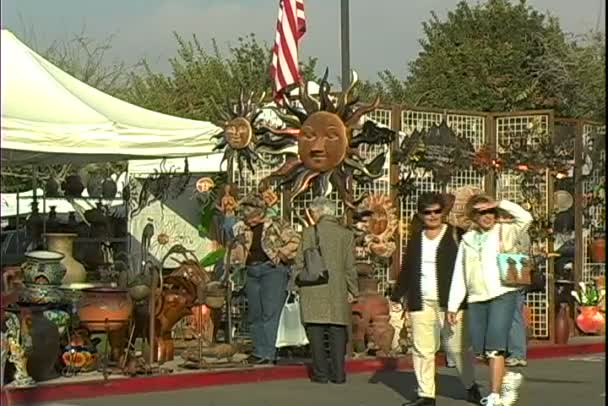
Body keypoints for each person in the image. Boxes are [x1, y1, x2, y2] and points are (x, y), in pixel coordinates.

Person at [391, 192, 481, 406]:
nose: (432, 216)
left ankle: (470, 385)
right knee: (422, 349)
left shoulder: (457, 236)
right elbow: (407, 269)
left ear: (443, 212)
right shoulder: (415, 239)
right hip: (421, 301)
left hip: (452, 303)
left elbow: (471, 268)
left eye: (436, 211)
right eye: (427, 212)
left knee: (457, 348)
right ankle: (426, 394)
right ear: (420, 215)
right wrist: (397, 295)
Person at [447, 194, 533, 406]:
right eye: (481, 212)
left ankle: (494, 395)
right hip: (476, 298)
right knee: (480, 350)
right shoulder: (467, 240)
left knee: (495, 347)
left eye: (490, 211)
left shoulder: (505, 231)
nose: (486, 216)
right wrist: (453, 304)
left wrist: (499, 204)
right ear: (473, 216)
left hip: (502, 294)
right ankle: (508, 377)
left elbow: (526, 217)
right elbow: (460, 273)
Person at [290, 197, 358, 384]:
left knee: (316, 330)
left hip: (312, 287)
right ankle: (338, 374)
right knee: (337, 331)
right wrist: (353, 290)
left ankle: (320, 374)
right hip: (337, 288)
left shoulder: (308, 233)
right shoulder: (346, 235)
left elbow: (299, 262)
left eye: (312, 212)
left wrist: (294, 285)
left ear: (318, 212)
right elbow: (350, 267)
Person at [230, 193, 301, 364]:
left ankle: (269, 352)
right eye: (248, 218)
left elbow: (296, 241)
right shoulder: (240, 227)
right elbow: (235, 248)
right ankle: (258, 350)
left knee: (270, 312)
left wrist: (281, 255)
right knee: (255, 313)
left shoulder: (276, 223)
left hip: (272, 271)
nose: (251, 221)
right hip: (251, 271)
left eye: (254, 217)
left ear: (261, 213)